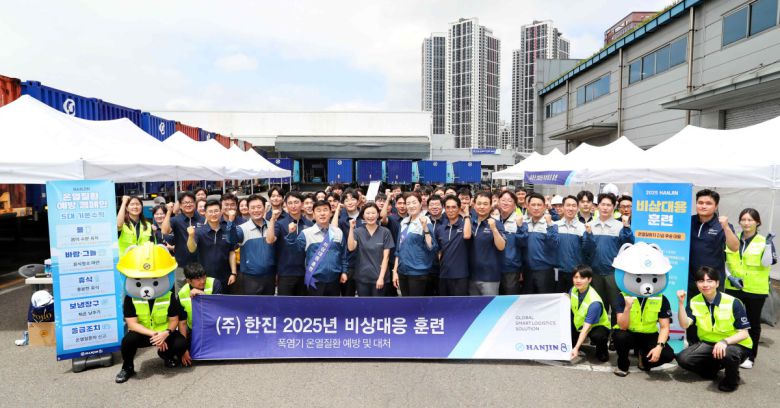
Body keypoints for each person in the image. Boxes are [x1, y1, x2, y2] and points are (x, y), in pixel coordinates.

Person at [115, 244, 186, 383]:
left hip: (164, 333)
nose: (147, 288)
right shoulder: (131, 298)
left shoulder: (168, 296)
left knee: (181, 343)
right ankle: (127, 367)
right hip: (144, 334)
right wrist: (154, 335)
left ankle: (166, 355)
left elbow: (174, 320)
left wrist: (165, 333)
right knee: (128, 341)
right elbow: (132, 324)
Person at [676, 266, 752, 392]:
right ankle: (712, 369)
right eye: (701, 281)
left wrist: (724, 342)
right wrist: (680, 304)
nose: (705, 284)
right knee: (683, 359)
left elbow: (744, 333)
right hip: (709, 344)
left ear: (717, 283)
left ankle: (732, 380)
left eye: (709, 281)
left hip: (735, 344)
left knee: (729, 353)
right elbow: (684, 325)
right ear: (697, 284)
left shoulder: (733, 302)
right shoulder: (694, 301)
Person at [724, 208, 777, 368]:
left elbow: (767, 263)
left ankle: (750, 356)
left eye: (750, 220)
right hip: (733, 287)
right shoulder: (733, 238)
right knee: (731, 321)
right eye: (743, 219)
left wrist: (768, 246)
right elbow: (724, 260)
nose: (746, 223)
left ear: (757, 222)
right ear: (739, 222)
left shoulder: (763, 241)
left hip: (755, 289)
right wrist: (729, 277)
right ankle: (732, 352)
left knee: (752, 323)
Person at [585, 193, 634, 329]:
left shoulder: (620, 226)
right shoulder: (590, 225)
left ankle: (615, 334)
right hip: (595, 273)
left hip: (613, 273)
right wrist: (588, 234)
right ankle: (601, 334)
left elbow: (628, 244)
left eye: (609, 205)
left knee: (617, 305)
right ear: (598, 206)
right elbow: (586, 249)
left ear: (613, 207)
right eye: (603, 204)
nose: (605, 208)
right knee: (599, 305)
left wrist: (626, 227)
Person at [289, 200, 347, 296]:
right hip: (314, 281)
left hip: (335, 280)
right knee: (315, 306)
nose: (322, 213)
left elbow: (343, 255)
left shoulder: (338, 232)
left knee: (334, 305)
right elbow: (294, 252)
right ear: (314, 215)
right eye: (318, 210)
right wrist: (291, 234)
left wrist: (344, 272)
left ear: (330, 213)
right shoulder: (306, 233)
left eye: (325, 210)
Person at [612, 290, 675, 377]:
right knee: (620, 337)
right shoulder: (624, 295)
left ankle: (643, 359)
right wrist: (627, 308)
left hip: (649, 335)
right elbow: (623, 326)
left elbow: (664, 327)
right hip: (629, 333)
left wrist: (659, 347)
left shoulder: (660, 298)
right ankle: (623, 365)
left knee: (668, 355)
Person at [689, 189, 739, 295]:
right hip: (688, 279)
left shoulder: (722, 225)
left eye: (708, 203)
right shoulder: (688, 221)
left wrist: (726, 227)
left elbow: (734, 247)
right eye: (700, 202)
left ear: (716, 206)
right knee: (689, 305)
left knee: (712, 305)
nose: (703, 206)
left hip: (711, 280)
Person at [226, 195, 276, 295]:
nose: (256, 210)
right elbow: (231, 239)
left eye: (259, 207)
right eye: (253, 208)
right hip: (250, 277)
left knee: (269, 303)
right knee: (252, 304)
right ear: (248, 210)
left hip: (270, 276)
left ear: (264, 208)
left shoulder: (272, 225)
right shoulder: (242, 228)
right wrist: (230, 221)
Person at [268, 192, 314, 296]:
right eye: (290, 203)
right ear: (286, 205)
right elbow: (270, 240)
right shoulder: (280, 224)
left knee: (303, 304)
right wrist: (272, 220)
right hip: (285, 273)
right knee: (285, 305)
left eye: (296, 202)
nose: (293, 206)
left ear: (302, 204)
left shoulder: (310, 224)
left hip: (305, 273)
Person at [392, 192, 437, 296]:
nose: (411, 206)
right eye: (408, 203)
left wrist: (425, 228)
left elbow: (431, 246)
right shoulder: (404, 222)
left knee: (416, 304)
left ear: (420, 204)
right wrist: (395, 271)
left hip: (418, 272)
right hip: (402, 271)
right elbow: (398, 249)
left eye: (414, 202)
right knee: (405, 303)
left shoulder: (426, 220)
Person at [177, 262, 222, 367]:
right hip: (194, 329)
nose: (202, 281)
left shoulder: (215, 283)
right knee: (178, 350)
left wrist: (203, 295)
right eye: (198, 279)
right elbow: (182, 323)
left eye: (203, 277)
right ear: (188, 281)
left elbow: (218, 308)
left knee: (218, 357)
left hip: (214, 327)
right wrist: (184, 349)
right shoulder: (182, 294)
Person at [187, 200, 238, 291]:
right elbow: (191, 249)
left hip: (225, 277)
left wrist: (233, 273)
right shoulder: (199, 232)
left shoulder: (227, 230)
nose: (213, 214)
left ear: (221, 212)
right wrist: (191, 236)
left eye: (216, 211)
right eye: (210, 211)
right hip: (204, 278)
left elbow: (231, 252)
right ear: (205, 214)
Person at [348, 203, 394, 296]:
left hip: (379, 277)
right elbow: (351, 247)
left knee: (378, 304)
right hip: (362, 278)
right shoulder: (357, 231)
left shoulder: (385, 232)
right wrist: (351, 229)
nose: (370, 216)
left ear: (378, 214)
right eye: (367, 213)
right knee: (363, 304)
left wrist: (381, 278)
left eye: (373, 213)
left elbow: (386, 258)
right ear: (363, 216)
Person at [161, 192, 205, 290]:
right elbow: (164, 231)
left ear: (195, 203)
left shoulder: (203, 220)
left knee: (201, 293)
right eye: (185, 203)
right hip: (181, 265)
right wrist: (169, 212)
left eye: (191, 202)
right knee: (181, 294)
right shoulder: (176, 220)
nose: (188, 204)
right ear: (180, 205)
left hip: (201, 264)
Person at [469, 192, 506, 296]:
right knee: (473, 305)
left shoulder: (497, 224)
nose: (482, 207)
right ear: (474, 205)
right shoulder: (469, 223)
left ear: (490, 206)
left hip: (490, 277)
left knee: (490, 306)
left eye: (485, 204)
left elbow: (501, 246)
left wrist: (494, 229)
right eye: (479, 203)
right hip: (471, 276)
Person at [570, 265, 610, 362]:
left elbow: (586, 328)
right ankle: (573, 344)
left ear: (589, 280)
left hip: (596, 326)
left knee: (598, 336)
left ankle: (602, 351)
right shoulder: (573, 290)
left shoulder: (594, 302)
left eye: (582, 278)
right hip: (579, 323)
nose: (578, 280)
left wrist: (576, 348)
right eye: (576, 277)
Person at [555, 195, 593, 294]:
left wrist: (589, 235)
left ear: (577, 208)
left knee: (575, 298)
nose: (570, 208)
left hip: (576, 273)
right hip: (558, 271)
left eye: (573, 206)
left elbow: (588, 250)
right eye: (568, 205)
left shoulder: (583, 227)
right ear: (563, 207)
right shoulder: (555, 226)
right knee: (560, 298)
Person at [523, 192, 558, 294]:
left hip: (545, 271)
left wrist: (549, 225)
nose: (536, 208)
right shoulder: (524, 224)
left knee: (545, 299)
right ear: (528, 207)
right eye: (533, 205)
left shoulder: (552, 225)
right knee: (528, 299)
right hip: (527, 270)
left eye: (539, 205)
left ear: (544, 207)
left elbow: (554, 244)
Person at [436, 196, 472, 296]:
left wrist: (466, 214)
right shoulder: (440, 228)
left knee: (459, 304)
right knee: (444, 304)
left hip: (460, 275)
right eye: (447, 207)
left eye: (453, 207)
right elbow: (438, 250)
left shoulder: (466, 224)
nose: (450, 210)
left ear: (459, 208)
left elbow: (467, 235)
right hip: (444, 274)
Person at [495, 191, 527, 295]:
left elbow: (523, 244)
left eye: (509, 201)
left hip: (511, 269)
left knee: (510, 298)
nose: (505, 203)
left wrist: (520, 226)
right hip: (494, 267)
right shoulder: (493, 219)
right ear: (498, 202)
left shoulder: (520, 220)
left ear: (514, 205)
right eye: (503, 200)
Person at [335, 188, 363, 297]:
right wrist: (338, 210)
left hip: (365, 263)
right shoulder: (342, 221)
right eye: (346, 200)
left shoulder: (366, 216)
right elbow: (333, 232)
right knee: (347, 296)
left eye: (352, 199)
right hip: (348, 264)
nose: (350, 202)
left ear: (358, 200)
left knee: (366, 298)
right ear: (343, 203)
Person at [425, 195, 446, 295]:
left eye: (437, 204)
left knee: (442, 297)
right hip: (425, 268)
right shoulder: (423, 221)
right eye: (432, 205)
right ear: (427, 207)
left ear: (442, 206)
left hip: (443, 268)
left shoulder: (448, 222)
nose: (434, 207)